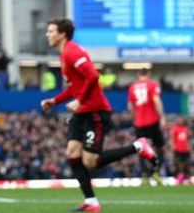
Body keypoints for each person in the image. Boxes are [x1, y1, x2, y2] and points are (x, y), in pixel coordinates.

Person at [40, 18, 157, 212]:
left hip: (95, 111)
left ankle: (139, 146)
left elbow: (93, 76)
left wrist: (79, 100)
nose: (47, 34)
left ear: (62, 34)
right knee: (72, 154)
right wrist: (55, 101)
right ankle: (91, 202)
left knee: (90, 162)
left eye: (51, 31)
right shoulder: (63, 54)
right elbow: (74, 87)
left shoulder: (72, 51)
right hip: (82, 111)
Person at [127, 68, 165, 182]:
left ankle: (144, 174)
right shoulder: (152, 85)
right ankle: (155, 172)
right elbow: (157, 100)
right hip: (152, 121)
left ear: (138, 74)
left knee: (141, 148)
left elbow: (129, 106)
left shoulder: (132, 87)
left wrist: (135, 117)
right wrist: (162, 117)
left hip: (139, 123)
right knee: (159, 147)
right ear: (148, 74)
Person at [170, 116, 191, 184]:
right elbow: (172, 138)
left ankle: (185, 176)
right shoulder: (175, 128)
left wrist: (189, 146)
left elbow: (188, 139)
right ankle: (179, 176)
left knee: (186, 163)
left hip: (185, 149)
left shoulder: (186, 128)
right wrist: (173, 146)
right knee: (178, 163)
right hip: (178, 149)